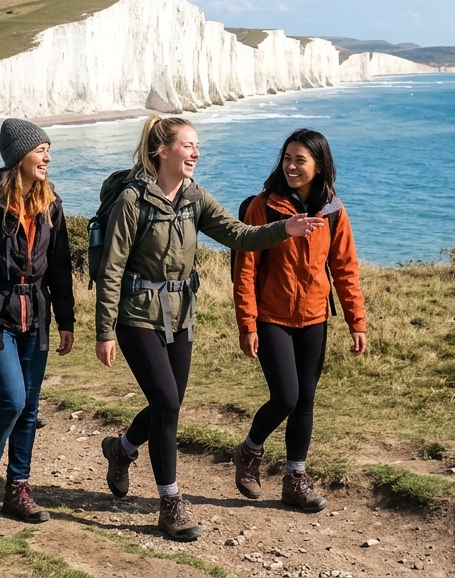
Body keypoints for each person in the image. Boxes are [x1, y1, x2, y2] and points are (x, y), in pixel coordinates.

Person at [94, 116, 323, 541]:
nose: (196, 152)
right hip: (137, 316)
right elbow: (111, 269)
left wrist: (284, 229)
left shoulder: (194, 197)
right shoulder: (132, 200)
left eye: (198, 145)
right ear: (163, 151)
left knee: (171, 403)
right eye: (188, 145)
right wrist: (104, 330)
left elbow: (238, 234)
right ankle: (170, 502)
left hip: (180, 315)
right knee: (167, 401)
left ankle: (121, 449)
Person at [230, 129, 368, 513]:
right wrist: (248, 323)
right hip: (272, 316)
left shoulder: (333, 210)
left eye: (300, 160)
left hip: (314, 317)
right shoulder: (264, 206)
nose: (290, 166)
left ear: (319, 165)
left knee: (305, 401)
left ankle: (295, 479)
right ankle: (250, 450)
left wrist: (357, 321)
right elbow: (245, 269)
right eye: (287, 158)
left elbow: (345, 268)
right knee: (286, 397)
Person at [0, 119, 75, 523]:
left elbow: (60, 266)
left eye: (49, 149)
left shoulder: (50, 202)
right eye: (41, 150)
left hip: (36, 316)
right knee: (13, 398)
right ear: (19, 156)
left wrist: (66, 320)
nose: (48, 157)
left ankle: (18, 488)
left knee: (30, 406)